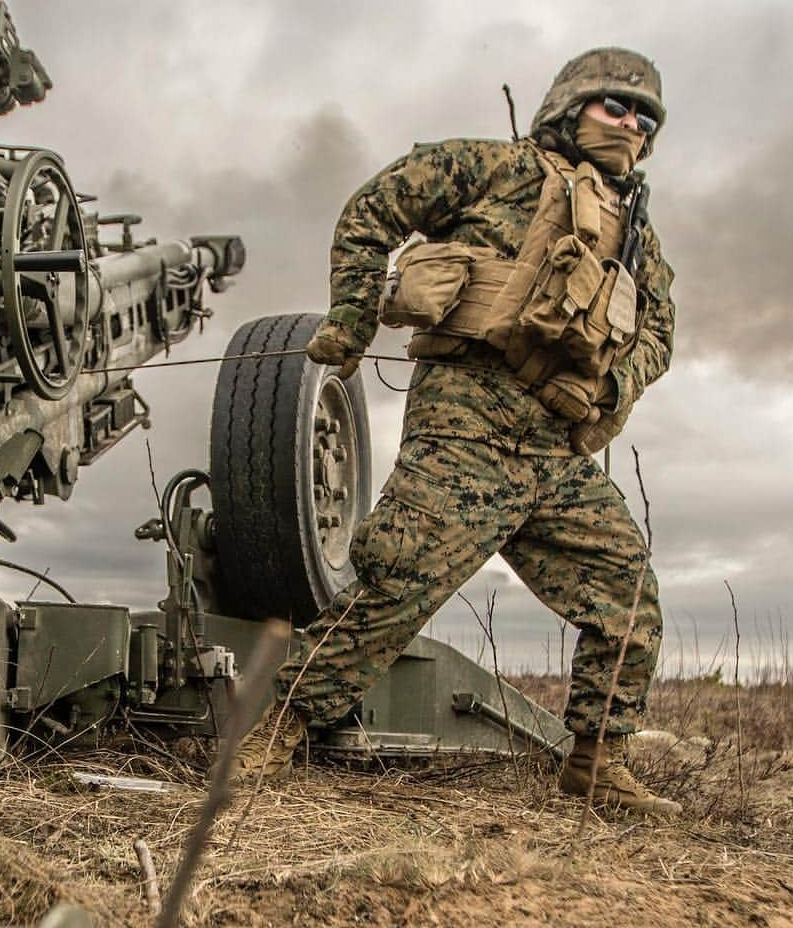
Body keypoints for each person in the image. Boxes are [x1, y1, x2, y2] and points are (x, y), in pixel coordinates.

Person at [231, 47, 680, 815]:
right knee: (397, 583)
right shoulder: (497, 169)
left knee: (628, 594)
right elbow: (375, 206)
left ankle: (597, 761)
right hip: (467, 417)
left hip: (553, 446)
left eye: (645, 116)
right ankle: (273, 729)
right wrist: (351, 316)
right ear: (572, 110)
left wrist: (615, 384)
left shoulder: (638, 244)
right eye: (616, 106)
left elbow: (661, 333)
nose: (631, 124)